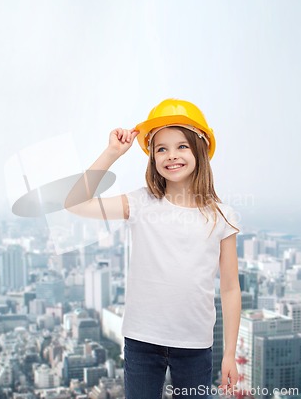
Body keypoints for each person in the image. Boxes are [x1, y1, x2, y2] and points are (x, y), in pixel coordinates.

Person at [64, 98, 241, 398]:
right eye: (161, 148)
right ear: (152, 157)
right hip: (141, 341)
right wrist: (111, 154)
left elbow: (230, 288)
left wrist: (229, 354)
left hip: (196, 346)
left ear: (200, 149)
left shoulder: (221, 216)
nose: (171, 156)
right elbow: (75, 203)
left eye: (182, 146)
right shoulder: (141, 203)